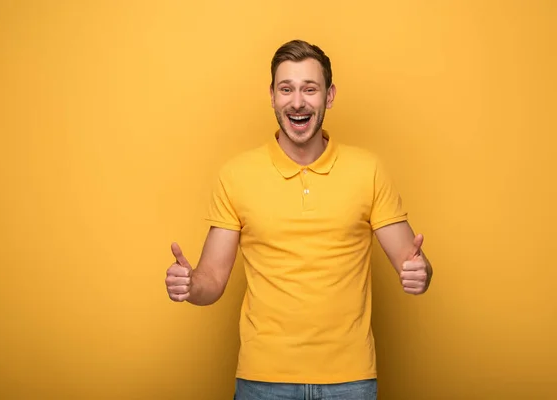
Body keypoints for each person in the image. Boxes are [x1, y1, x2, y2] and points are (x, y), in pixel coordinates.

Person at [165, 39, 433, 400]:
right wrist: (189, 285)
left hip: (350, 380)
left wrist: (421, 273)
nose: (297, 101)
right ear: (272, 95)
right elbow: (211, 279)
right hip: (263, 380)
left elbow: (410, 261)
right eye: (286, 89)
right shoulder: (236, 175)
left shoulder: (368, 170)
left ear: (329, 95)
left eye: (310, 89)